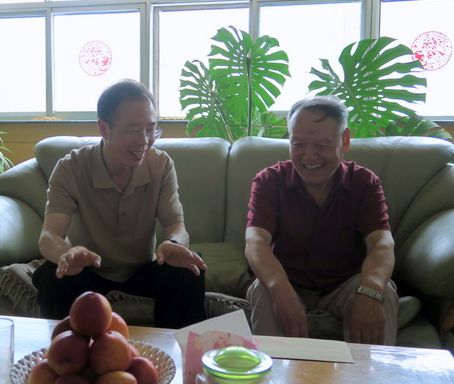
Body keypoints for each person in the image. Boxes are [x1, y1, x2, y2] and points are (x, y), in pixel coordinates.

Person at [32, 79, 207, 329]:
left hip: (142, 272)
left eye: (151, 130)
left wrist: (174, 243)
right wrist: (65, 253)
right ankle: (64, 350)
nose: (144, 140)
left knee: (189, 267)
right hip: (87, 270)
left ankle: (178, 350)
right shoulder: (71, 168)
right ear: (104, 128)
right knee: (52, 274)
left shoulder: (161, 165)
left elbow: (177, 227)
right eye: (133, 130)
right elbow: (49, 235)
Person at [244, 96, 399, 345]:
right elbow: (255, 242)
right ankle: (275, 368)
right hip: (288, 280)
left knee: (384, 291)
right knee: (264, 289)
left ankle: (370, 367)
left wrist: (370, 289)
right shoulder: (269, 180)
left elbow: (381, 243)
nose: (309, 156)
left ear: (344, 140)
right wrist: (280, 287)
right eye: (298, 144)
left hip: (343, 285)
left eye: (322, 145)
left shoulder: (364, 183)